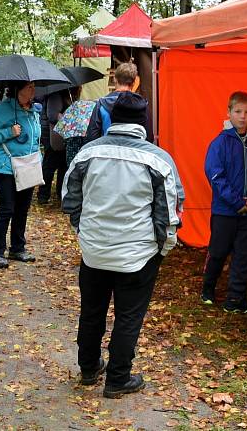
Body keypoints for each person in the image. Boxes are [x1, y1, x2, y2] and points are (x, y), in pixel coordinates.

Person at [62, 91, 184, 399]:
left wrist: (83, 233)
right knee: (129, 316)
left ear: (112, 119)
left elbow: (69, 199)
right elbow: (169, 211)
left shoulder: (87, 153)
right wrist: (164, 248)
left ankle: (89, 368)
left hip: (94, 251)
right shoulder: (157, 159)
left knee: (91, 311)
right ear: (143, 122)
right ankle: (117, 378)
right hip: (138, 255)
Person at [201, 91, 247, 314]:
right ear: (229, 113)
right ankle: (208, 289)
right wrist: (237, 202)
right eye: (238, 112)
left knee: (244, 256)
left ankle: (234, 299)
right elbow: (215, 176)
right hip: (225, 211)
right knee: (218, 251)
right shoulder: (219, 143)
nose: (243, 116)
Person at [0, 82, 41, 269]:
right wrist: (9, 132)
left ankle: (17, 248)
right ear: (18, 90)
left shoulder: (34, 111)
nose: (33, 90)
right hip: (6, 167)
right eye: (29, 87)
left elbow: (35, 139)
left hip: (28, 166)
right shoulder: (3, 109)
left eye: (33, 87)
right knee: (7, 208)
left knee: (22, 209)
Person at [85, 62, 153, 143]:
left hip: (107, 150)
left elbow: (92, 136)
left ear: (114, 79)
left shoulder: (101, 104)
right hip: (134, 152)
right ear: (134, 82)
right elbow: (149, 138)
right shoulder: (142, 105)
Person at [35, 89, 68, 206]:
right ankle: (43, 194)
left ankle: (58, 192)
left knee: (62, 164)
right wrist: (67, 117)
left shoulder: (61, 94)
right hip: (52, 136)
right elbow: (52, 116)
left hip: (57, 135)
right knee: (50, 165)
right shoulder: (56, 95)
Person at [56, 86, 95, 168]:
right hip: (86, 148)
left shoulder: (72, 108)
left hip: (72, 145)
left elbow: (62, 129)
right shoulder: (91, 106)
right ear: (79, 91)